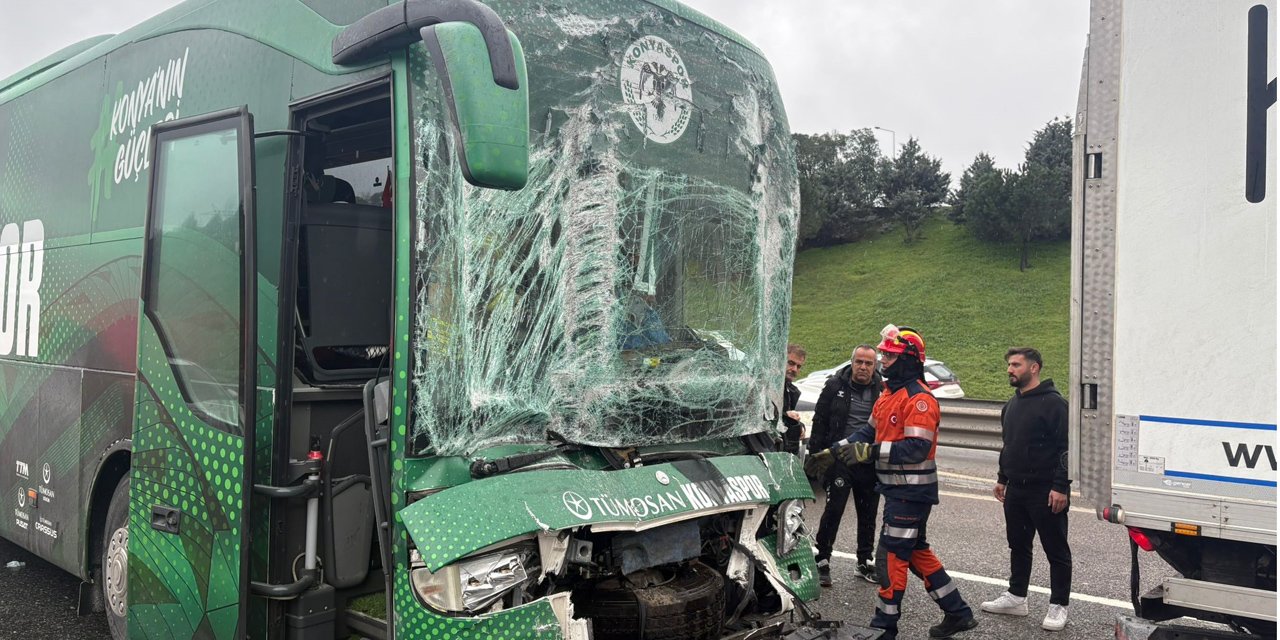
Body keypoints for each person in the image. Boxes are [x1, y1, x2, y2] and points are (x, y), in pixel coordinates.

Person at [811, 325, 977, 640]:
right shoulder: (889, 394)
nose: (883, 360)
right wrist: (834, 451)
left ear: (908, 360)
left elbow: (916, 448)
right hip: (898, 491)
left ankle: (884, 628)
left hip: (911, 494)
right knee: (915, 552)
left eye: (890, 355)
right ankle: (958, 613)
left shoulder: (919, 400)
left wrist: (870, 453)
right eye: (884, 354)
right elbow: (868, 431)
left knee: (890, 558)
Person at [981, 347, 1072, 632]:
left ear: (1034, 368)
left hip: (1046, 491)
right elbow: (1009, 445)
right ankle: (1017, 597)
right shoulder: (1011, 404)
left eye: (1016, 365)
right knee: (1018, 545)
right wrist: (1002, 478)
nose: (1010, 369)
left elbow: (1067, 449)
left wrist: (1060, 486)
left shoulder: (1055, 404)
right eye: (1009, 365)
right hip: (1016, 491)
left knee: (1056, 550)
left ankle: (1059, 605)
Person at [806, 344, 881, 587]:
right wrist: (816, 456)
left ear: (875, 366)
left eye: (868, 363)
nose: (863, 367)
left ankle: (864, 560)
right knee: (834, 509)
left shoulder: (882, 389)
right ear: (852, 362)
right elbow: (819, 420)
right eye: (859, 361)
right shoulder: (834, 385)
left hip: (867, 460)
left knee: (868, 512)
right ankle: (822, 559)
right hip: (839, 460)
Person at [782, 344, 807, 454]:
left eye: (798, 366)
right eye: (791, 363)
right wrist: (786, 416)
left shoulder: (791, 391)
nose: (794, 369)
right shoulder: (763, 386)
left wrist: (799, 426)